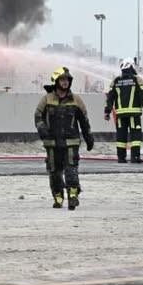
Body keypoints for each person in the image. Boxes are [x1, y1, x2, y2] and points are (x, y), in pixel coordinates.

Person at [34, 67, 93, 210]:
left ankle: (73, 197)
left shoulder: (76, 100)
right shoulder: (47, 99)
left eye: (67, 80)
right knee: (54, 172)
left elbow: (84, 121)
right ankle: (58, 198)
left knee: (71, 170)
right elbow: (38, 116)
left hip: (71, 142)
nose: (65, 82)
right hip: (52, 142)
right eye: (62, 80)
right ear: (56, 81)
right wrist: (42, 129)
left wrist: (88, 137)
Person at [104, 59, 143, 163]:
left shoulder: (116, 81)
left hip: (120, 114)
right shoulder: (137, 80)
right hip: (134, 114)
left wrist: (107, 112)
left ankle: (121, 158)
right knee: (135, 135)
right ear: (132, 66)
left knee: (121, 135)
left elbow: (110, 98)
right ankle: (135, 157)